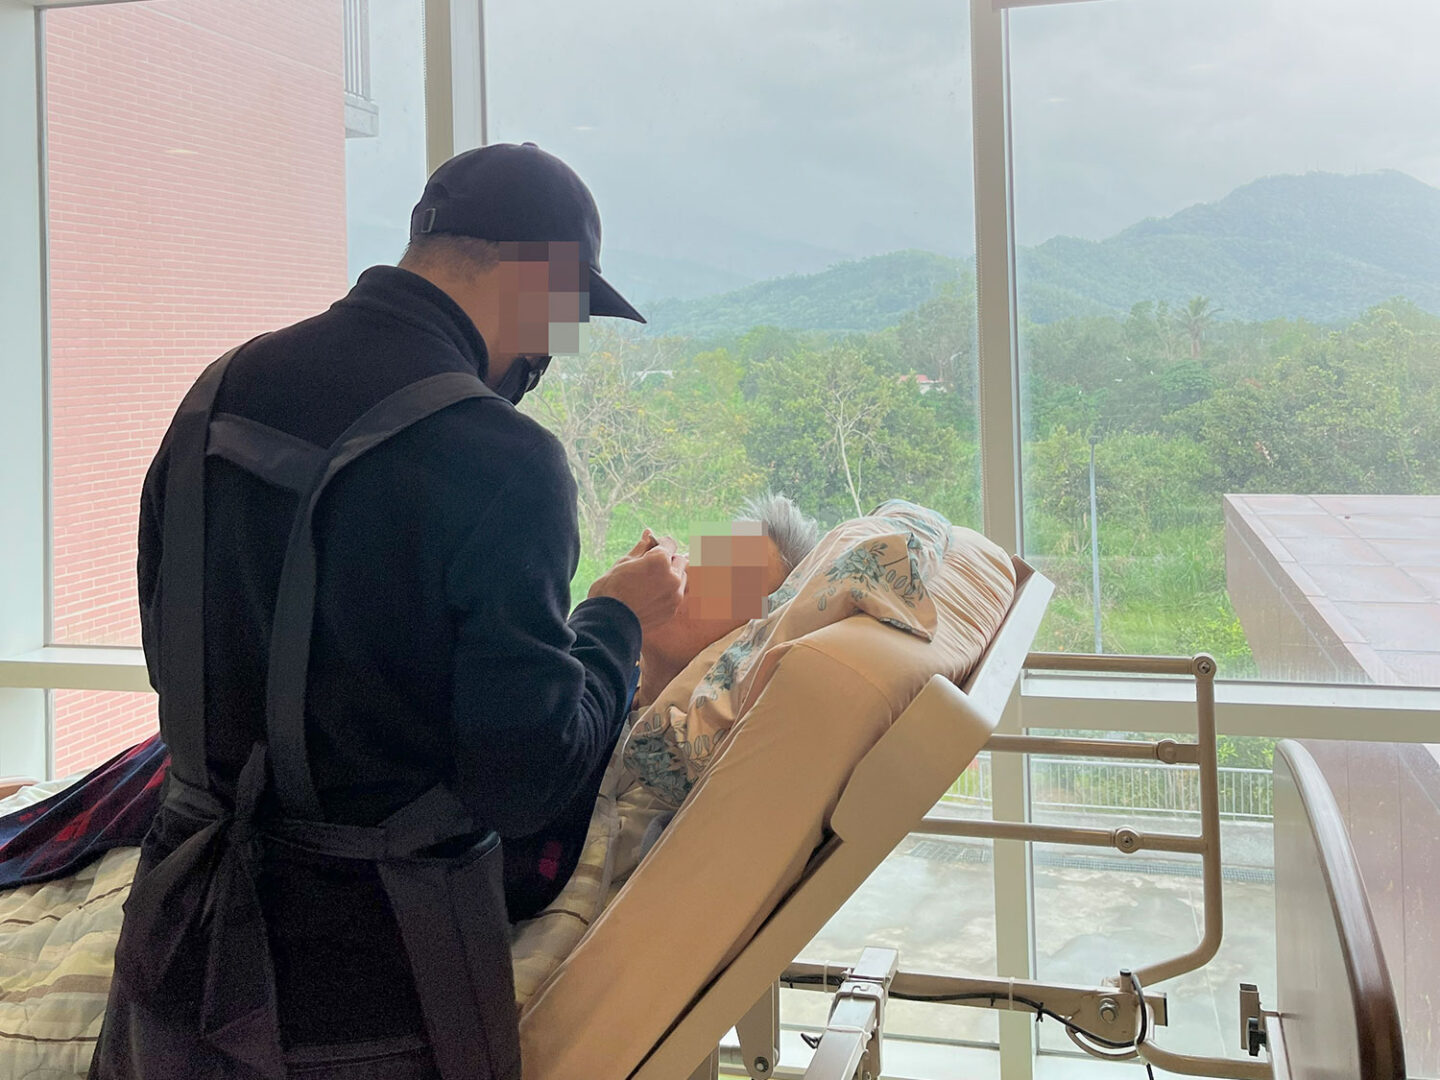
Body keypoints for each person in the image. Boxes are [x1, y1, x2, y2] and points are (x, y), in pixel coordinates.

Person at [90, 143, 685, 1080]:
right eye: (566, 314)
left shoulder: (216, 391)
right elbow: (523, 780)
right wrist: (615, 620)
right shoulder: (505, 457)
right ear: (541, 281)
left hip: (170, 949)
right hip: (368, 988)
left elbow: (173, 658)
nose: (551, 351)